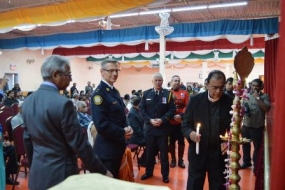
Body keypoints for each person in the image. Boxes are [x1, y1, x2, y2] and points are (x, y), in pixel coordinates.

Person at [22, 55, 112, 190]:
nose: (71, 79)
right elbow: (79, 144)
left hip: (37, 174)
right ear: (55, 75)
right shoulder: (64, 103)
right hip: (61, 176)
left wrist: (35, 165)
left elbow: (27, 139)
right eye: (68, 75)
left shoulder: (28, 102)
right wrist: (101, 171)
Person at [181, 70, 233, 190]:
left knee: (218, 186)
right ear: (207, 84)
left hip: (219, 154)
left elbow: (233, 127)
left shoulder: (229, 101)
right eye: (215, 87)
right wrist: (190, 133)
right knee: (194, 185)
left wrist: (228, 141)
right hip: (198, 152)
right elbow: (185, 124)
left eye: (221, 87)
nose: (218, 91)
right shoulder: (195, 101)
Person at [91, 59, 133, 179]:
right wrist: (122, 132)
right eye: (110, 71)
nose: (114, 74)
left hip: (117, 147)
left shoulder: (114, 91)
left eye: (116, 70)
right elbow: (101, 125)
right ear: (102, 72)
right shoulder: (99, 95)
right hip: (107, 150)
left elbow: (121, 115)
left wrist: (128, 127)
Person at [140, 72, 175, 183]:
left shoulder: (168, 94)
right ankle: (148, 172)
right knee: (149, 153)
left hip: (163, 130)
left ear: (162, 81)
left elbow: (172, 110)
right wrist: (150, 120)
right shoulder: (146, 94)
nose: (158, 82)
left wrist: (162, 119)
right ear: (152, 81)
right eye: (156, 80)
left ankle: (165, 175)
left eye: (160, 80)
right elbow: (142, 110)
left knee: (164, 154)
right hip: (150, 129)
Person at [241, 79, 271, 170]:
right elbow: (242, 108)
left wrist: (258, 98)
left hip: (257, 126)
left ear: (261, 87)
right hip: (246, 125)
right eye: (253, 85)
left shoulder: (265, 96)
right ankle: (246, 162)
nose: (254, 87)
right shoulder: (246, 95)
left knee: (257, 147)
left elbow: (266, 108)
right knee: (245, 145)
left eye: (256, 86)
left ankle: (256, 165)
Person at [169, 75, 189, 168]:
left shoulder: (184, 93)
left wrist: (181, 115)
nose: (177, 82)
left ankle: (181, 160)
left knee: (181, 142)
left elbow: (187, 106)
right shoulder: (167, 93)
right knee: (171, 142)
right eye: (175, 81)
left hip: (181, 122)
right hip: (171, 122)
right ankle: (173, 159)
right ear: (171, 82)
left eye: (178, 81)